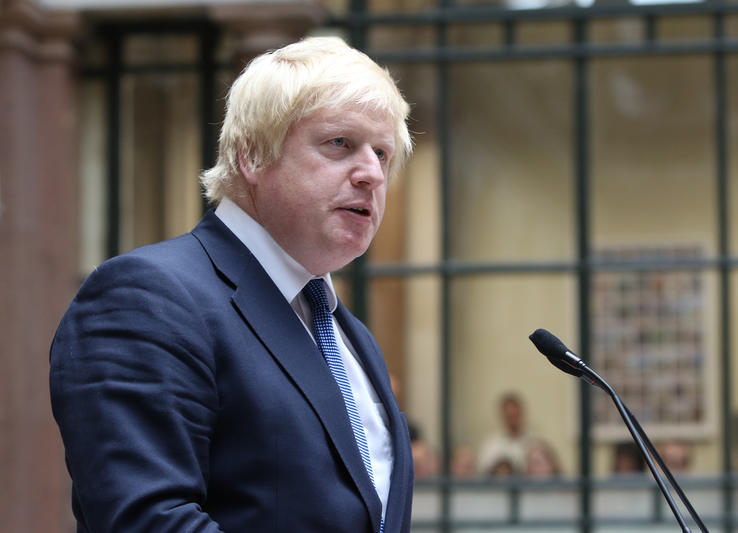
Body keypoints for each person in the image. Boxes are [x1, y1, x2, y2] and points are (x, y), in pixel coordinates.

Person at [50, 36, 414, 533]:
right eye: (340, 144)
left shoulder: (349, 336)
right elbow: (149, 521)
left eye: (382, 154)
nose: (372, 173)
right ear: (252, 156)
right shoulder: (147, 298)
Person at [477, 392, 534, 476]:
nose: (512, 420)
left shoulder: (534, 443)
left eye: (515, 415)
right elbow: (483, 472)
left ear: (522, 413)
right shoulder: (491, 444)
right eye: (508, 416)